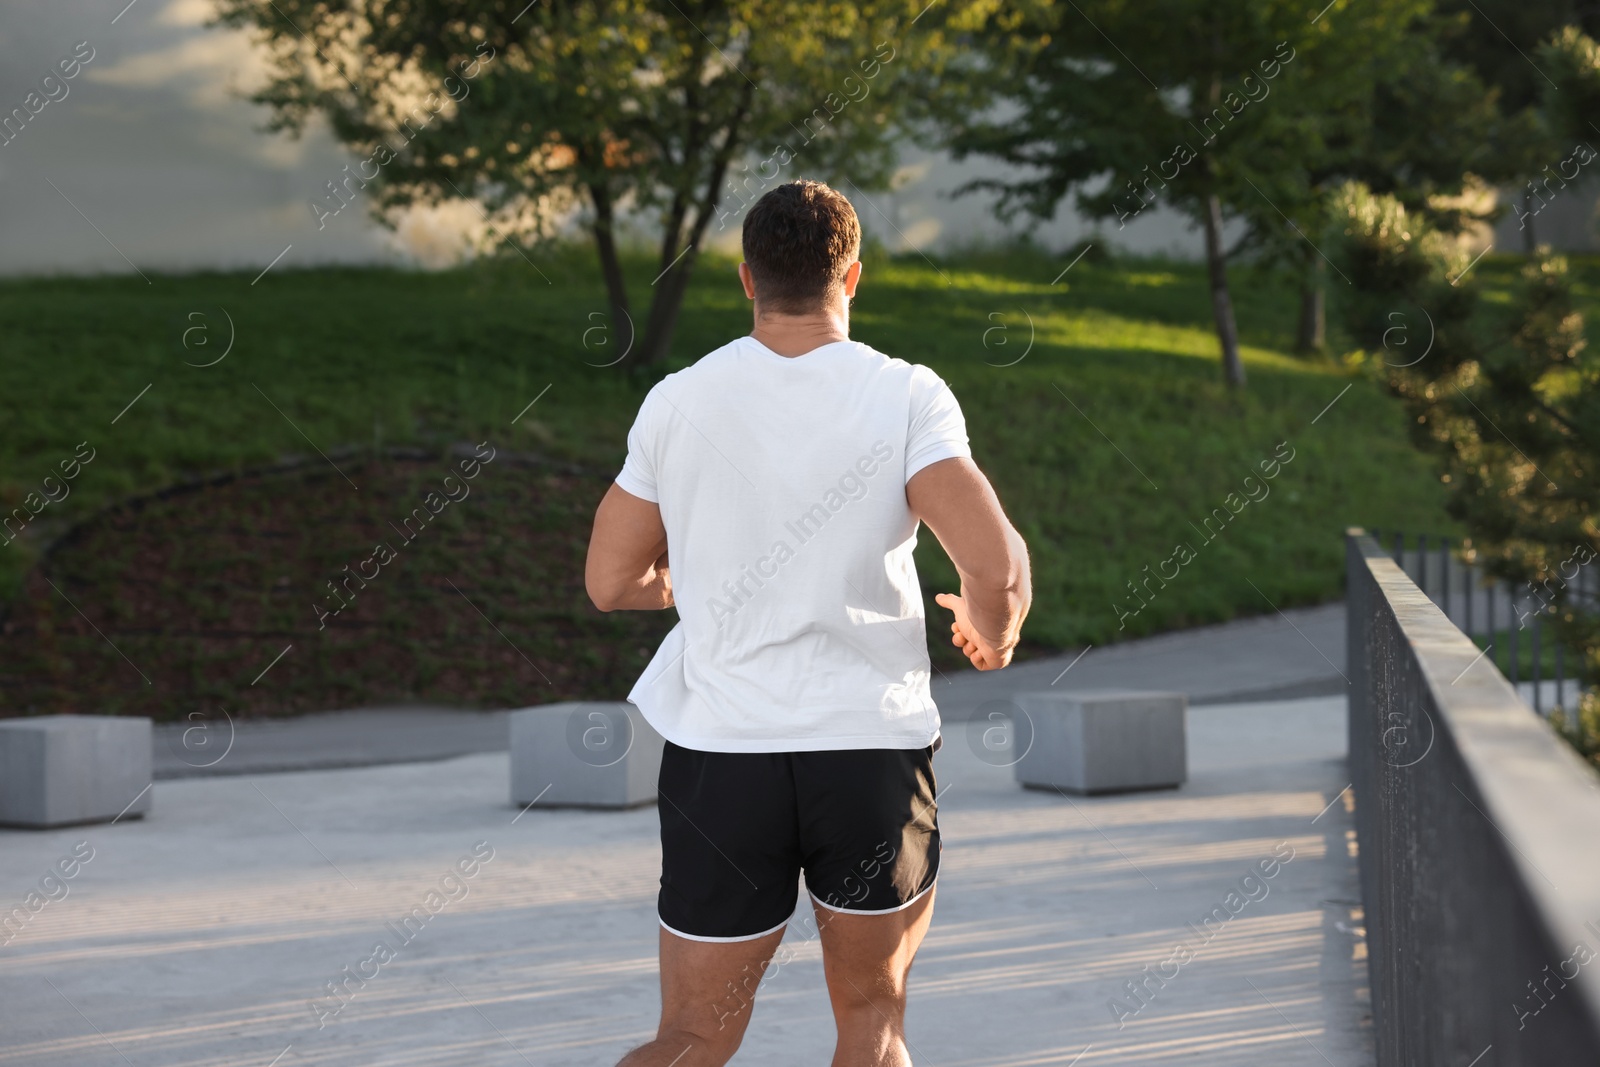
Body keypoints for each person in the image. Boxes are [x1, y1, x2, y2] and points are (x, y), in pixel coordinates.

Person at [585, 179, 1031, 1067]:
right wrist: (992, 630)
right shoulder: (907, 395)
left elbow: (610, 579)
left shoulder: (678, 399)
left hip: (723, 760)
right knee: (872, 1023)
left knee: (692, 1036)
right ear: (852, 277)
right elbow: (997, 567)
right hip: (868, 754)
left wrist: (691, 582)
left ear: (748, 280)